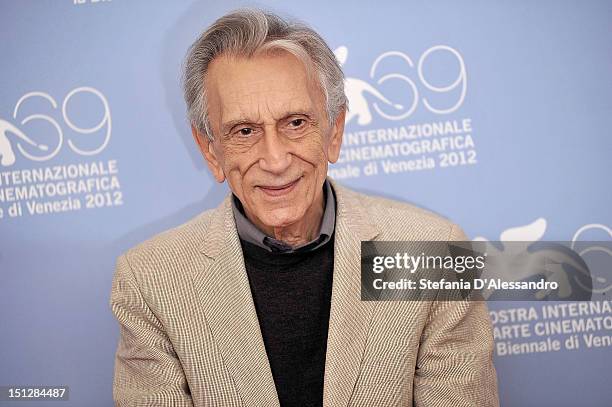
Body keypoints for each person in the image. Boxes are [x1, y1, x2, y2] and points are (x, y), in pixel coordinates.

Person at [110, 8, 499, 407]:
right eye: (245, 131)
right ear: (211, 151)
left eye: (296, 123)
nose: (275, 160)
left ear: (334, 131)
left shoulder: (432, 252)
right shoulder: (151, 281)